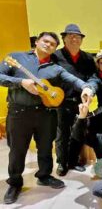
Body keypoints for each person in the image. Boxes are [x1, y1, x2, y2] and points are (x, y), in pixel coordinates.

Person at [0, 32, 94, 204]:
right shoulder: (17, 57)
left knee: (45, 147)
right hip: (19, 113)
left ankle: (44, 175)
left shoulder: (55, 68)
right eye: (45, 41)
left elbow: (73, 80)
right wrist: (20, 83)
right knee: (17, 150)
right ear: (36, 42)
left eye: (52, 44)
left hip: (46, 113)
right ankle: (15, 182)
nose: (48, 45)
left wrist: (86, 87)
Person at [54, 23, 97, 176]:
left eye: (77, 36)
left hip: (81, 102)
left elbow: (93, 77)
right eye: (70, 36)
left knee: (78, 133)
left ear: (81, 40)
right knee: (62, 134)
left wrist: (90, 88)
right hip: (62, 101)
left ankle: (73, 161)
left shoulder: (87, 58)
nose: (74, 39)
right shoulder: (56, 56)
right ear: (64, 39)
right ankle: (61, 162)